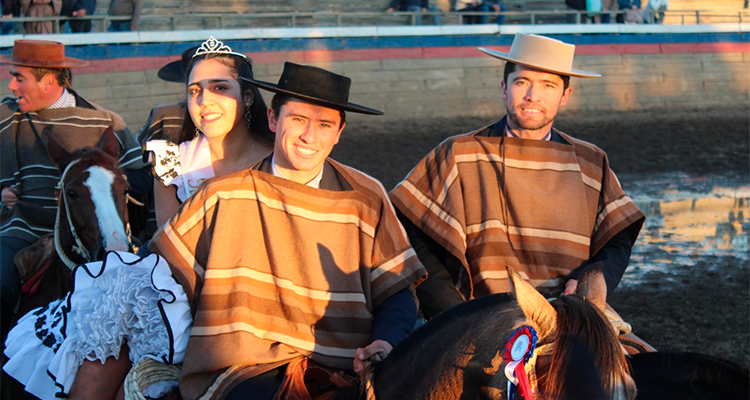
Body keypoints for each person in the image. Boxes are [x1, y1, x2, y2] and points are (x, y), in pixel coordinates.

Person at [147, 61, 426, 399]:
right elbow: (164, 273)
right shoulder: (223, 195)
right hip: (242, 367)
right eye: (298, 119)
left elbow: (396, 289)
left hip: (348, 364)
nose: (310, 136)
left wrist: (386, 339)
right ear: (273, 119)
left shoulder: (365, 197)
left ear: (339, 132)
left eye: (324, 124)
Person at [389, 33, 645, 320]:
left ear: (565, 96)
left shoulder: (591, 162)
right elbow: (414, 237)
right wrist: (455, 316)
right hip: (480, 316)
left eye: (548, 85)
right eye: (522, 82)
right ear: (504, 87)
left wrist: (588, 282)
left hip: (569, 316)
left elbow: (617, 239)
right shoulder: (459, 154)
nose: (532, 96)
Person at [0, 39, 150, 340]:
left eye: (19, 78)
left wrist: (104, 183)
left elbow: (140, 181)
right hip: (23, 228)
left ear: (49, 81)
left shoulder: (105, 121)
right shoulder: (5, 116)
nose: (12, 86)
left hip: (90, 232)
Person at [144, 37, 273, 238]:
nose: (204, 100)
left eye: (220, 87)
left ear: (248, 96)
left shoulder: (279, 158)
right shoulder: (171, 163)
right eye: (195, 91)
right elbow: (168, 249)